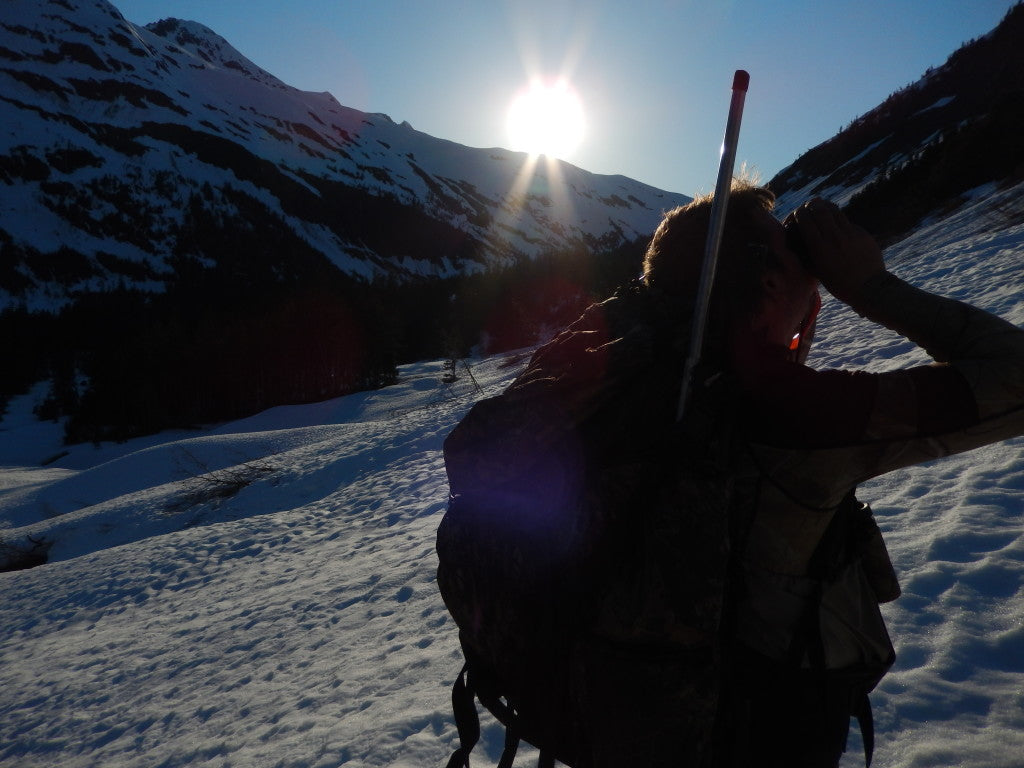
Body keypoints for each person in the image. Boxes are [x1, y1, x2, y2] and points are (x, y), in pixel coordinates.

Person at [574, 181, 1024, 767]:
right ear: (767, 281)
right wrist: (869, 286)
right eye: (797, 258)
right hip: (767, 725)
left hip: (625, 710)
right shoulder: (789, 414)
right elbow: (1016, 376)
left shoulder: (634, 377)